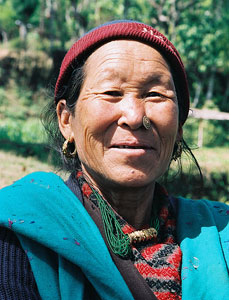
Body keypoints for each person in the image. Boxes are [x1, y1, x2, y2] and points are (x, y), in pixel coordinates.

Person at [0, 20, 228, 300]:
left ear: (179, 126)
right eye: (111, 93)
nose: (134, 117)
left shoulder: (220, 233)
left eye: (155, 94)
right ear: (66, 119)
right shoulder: (18, 234)